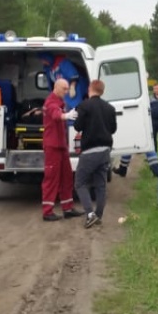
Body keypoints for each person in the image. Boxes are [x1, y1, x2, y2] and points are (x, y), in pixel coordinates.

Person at [72, 79, 117, 228]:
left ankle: (90, 214)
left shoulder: (84, 106)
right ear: (102, 91)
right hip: (105, 151)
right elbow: (113, 129)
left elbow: (77, 127)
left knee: (80, 182)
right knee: (100, 185)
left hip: (90, 151)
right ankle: (98, 215)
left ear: (90, 88)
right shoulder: (109, 108)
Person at [41, 78, 85, 221]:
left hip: (61, 146)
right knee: (51, 178)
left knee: (67, 177)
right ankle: (47, 211)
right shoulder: (51, 102)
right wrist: (66, 115)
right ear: (56, 87)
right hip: (53, 146)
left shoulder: (60, 102)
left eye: (67, 89)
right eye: (64, 89)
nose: (66, 92)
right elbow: (55, 115)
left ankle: (68, 207)